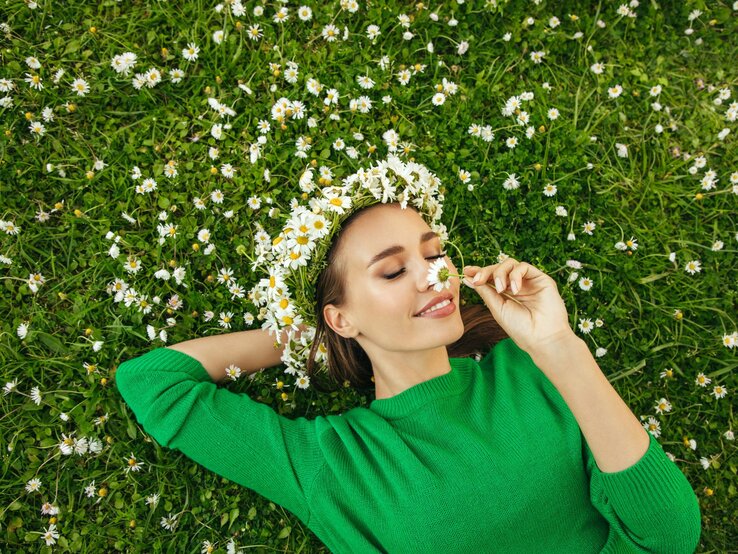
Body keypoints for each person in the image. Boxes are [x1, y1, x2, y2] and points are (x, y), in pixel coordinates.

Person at [116, 161, 701, 553]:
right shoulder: (330, 463)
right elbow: (155, 382)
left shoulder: (529, 371)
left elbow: (668, 535)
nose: (431, 276)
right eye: (394, 270)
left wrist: (558, 348)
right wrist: (317, 338)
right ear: (340, 315)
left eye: (434, 254)